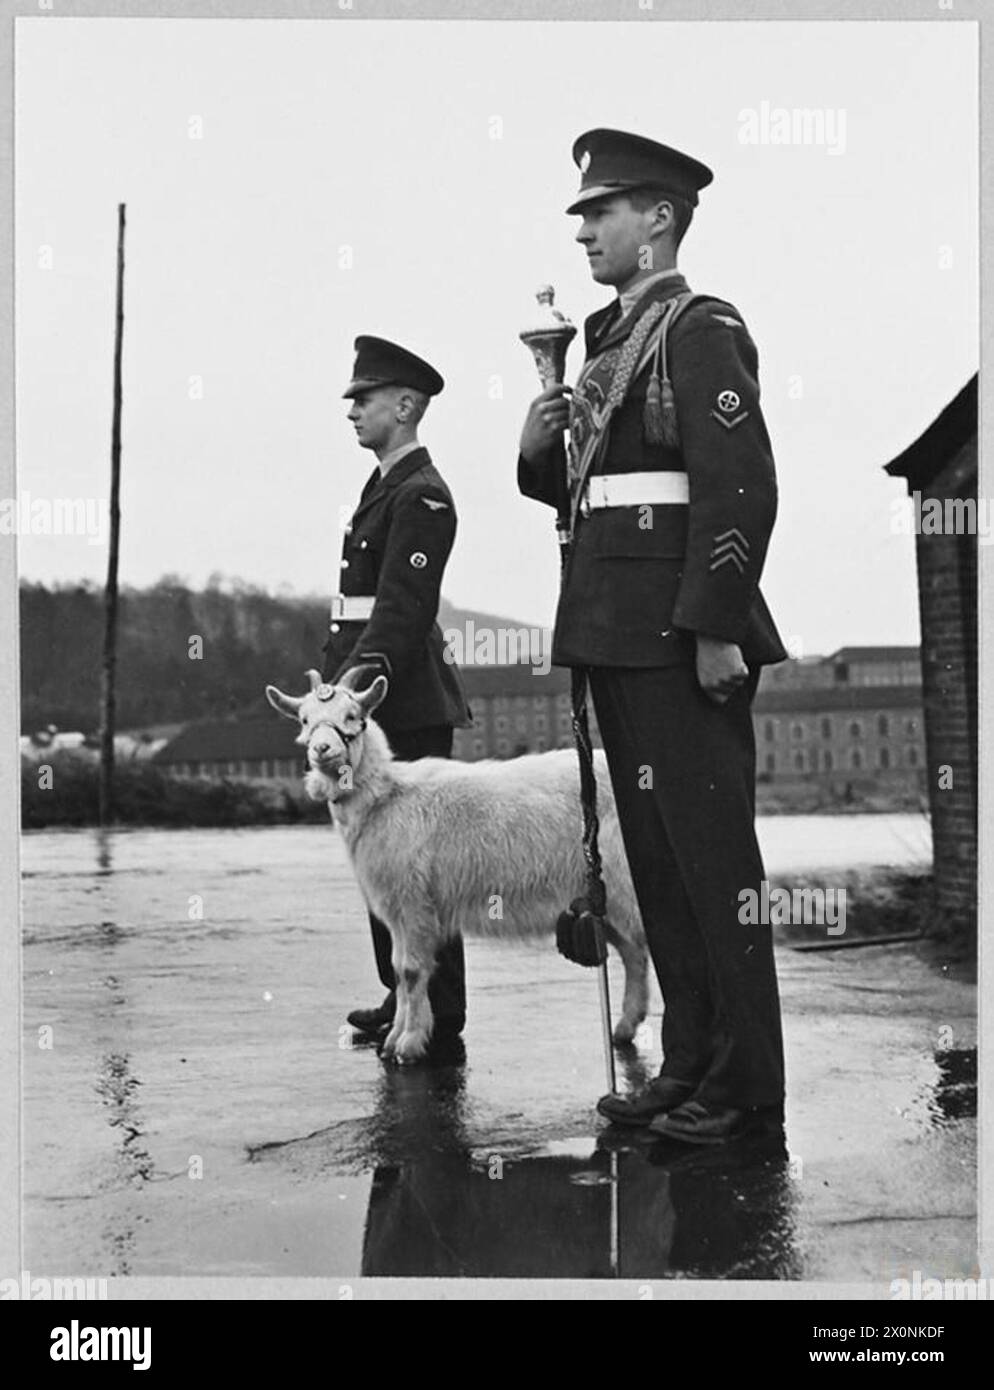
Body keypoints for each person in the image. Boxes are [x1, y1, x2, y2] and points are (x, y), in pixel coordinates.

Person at [518, 129, 787, 1144]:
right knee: (664, 871)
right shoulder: (603, 338)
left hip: (681, 638)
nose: (584, 228)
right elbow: (585, 493)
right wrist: (535, 443)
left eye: (604, 209)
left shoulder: (698, 328)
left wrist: (714, 627)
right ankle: (688, 1068)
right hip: (616, 636)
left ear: (660, 218)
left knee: (717, 870)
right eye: (582, 213)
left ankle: (747, 1089)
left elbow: (740, 487)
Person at [324, 335, 471, 1044]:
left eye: (364, 397)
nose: (351, 410)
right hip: (368, 701)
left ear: (406, 405)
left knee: (422, 871)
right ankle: (400, 992)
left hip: (398, 705)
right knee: (381, 861)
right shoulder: (387, 484)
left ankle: (438, 1010)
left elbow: (402, 611)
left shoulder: (423, 496)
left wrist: (353, 689)